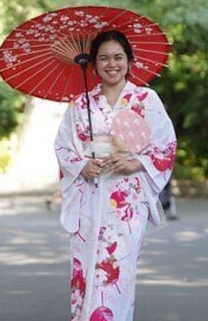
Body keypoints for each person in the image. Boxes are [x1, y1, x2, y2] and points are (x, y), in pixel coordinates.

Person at [55, 30, 177, 321]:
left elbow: (167, 146)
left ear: (130, 61)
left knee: (116, 273)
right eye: (104, 58)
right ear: (94, 64)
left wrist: (135, 164)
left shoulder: (146, 99)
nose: (112, 64)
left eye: (119, 57)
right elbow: (62, 146)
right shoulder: (80, 105)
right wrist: (82, 166)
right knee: (85, 272)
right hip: (89, 197)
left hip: (125, 204)